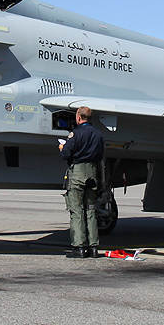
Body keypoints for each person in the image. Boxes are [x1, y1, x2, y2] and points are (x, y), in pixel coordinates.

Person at [59, 106, 105, 258]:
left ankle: (79, 247)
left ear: (78, 118)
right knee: (91, 210)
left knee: (77, 211)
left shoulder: (75, 134)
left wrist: (62, 147)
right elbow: (100, 156)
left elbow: (66, 154)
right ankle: (93, 247)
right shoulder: (98, 135)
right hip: (92, 175)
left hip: (77, 175)